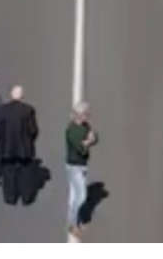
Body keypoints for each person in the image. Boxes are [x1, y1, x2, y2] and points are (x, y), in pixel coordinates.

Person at [0, 85, 40, 207]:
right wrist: (30, 141)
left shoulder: (2, 110)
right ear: (22, 96)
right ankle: (26, 197)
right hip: (24, 148)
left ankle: (10, 197)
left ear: (11, 95)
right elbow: (33, 130)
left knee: (8, 172)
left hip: (7, 147)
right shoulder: (28, 110)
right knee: (25, 173)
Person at [66, 102, 98, 242]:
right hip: (74, 166)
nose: (88, 116)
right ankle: (73, 225)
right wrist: (88, 142)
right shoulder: (72, 131)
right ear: (80, 115)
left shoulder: (85, 126)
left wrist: (91, 140)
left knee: (75, 196)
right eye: (86, 114)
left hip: (82, 165)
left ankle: (74, 219)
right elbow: (81, 149)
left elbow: (94, 136)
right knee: (81, 197)